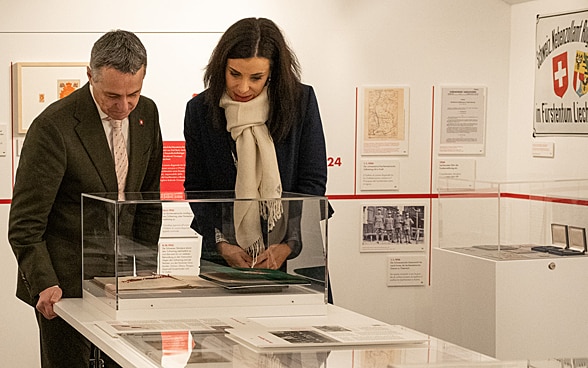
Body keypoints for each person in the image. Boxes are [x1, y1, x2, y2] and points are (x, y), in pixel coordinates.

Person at [8, 30, 163, 367]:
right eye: (111, 96)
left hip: (125, 281)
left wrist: (146, 273)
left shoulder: (147, 114)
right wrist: (44, 283)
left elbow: (148, 202)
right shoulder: (54, 126)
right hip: (65, 286)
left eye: (133, 94)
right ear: (90, 74)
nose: (123, 106)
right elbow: (25, 224)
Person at [183, 17, 332, 273]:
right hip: (226, 257)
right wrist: (221, 244)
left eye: (256, 77)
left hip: (294, 255)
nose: (243, 87)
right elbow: (197, 188)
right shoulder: (200, 111)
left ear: (272, 73)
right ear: (221, 67)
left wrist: (288, 244)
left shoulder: (300, 102)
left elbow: (312, 181)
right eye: (234, 74)